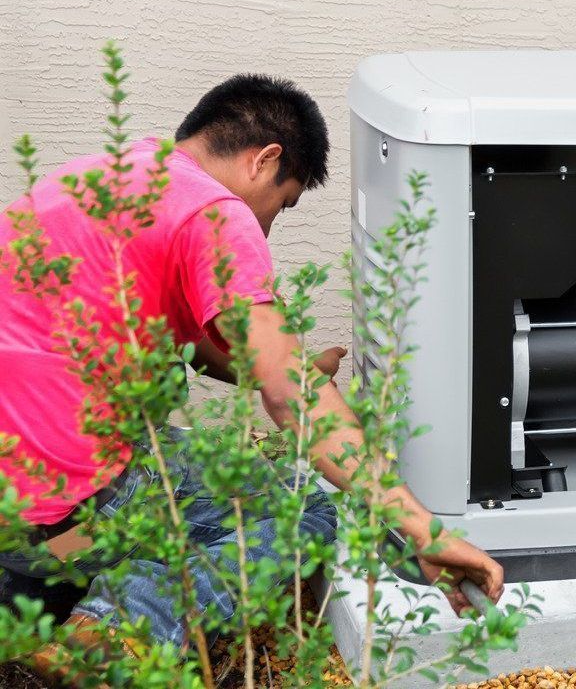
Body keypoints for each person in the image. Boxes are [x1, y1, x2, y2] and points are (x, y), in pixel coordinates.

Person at [0, 74, 503, 653]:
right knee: (306, 509)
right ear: (264, 160)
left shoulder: (98, 176)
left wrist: (290, 365)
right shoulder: (214, 211)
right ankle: (116, 630)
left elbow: (222, 350)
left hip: (17, 501)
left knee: (153, 394)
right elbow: (289, 397)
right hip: (58, 505)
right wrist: (422, 529)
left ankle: (27, 599)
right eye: (282, 204)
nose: (266, 225)